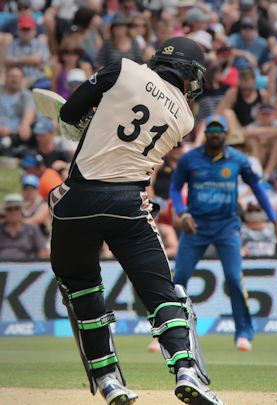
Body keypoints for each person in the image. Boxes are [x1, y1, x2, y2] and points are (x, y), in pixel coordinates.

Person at [50, 37, 225, 405]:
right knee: (162, 293)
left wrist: (88, 123)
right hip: (126, 206)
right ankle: (186, 369)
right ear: (189, 73)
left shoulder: (123, 69)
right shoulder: (186, 120)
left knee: (82, 290)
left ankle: (109, 379)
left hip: (75, 204)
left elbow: (68, 114)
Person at [170, 114, 277, 353]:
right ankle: (167, 331)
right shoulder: (189, 159)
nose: (214, 135)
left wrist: (274, 220)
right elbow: (174, 188)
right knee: (179, 278)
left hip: (227, 227)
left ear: (225, 134)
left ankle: (243, 332)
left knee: (234, 278)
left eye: (219, 131)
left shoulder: (238, 159)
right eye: (210, 130)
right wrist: (183, 214)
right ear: (206, 134)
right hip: (196, 227)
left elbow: (258, 189)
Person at [0, 193, 48, 260]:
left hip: (27, 267)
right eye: (9, 209)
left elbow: (42, 251)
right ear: (5, 211)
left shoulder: (32, 229)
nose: (13, 212)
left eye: (16, 209)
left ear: (21, 210)